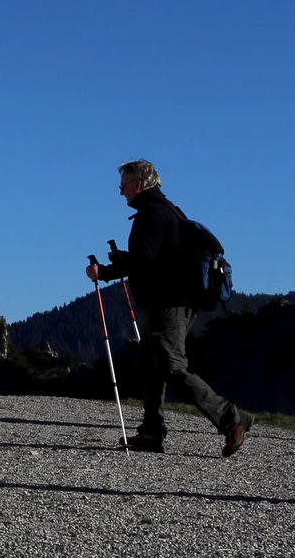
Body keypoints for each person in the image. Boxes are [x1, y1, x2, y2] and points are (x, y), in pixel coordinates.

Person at [88, 159, 253, 456]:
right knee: (152, 367)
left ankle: (232, 419)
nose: (121, 192)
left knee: (172, 367)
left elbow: (144, 263)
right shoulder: (167, 211)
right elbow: (156, 258)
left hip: (169, 303)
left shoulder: (151, 215)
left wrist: (106, 271)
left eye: (123, 186)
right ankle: (151, 433)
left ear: (138, 184)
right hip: (173, 301)